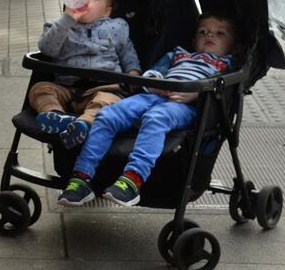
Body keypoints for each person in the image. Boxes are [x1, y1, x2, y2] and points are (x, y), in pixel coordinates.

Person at [58, 13, 239, 207]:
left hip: (185, 105)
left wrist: (196, 93)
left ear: (235, 45)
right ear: (194, 40)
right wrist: (156, 83)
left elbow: (222, 89)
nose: (210, 35)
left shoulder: (228, 64)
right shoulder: (178, 54)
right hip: (154, 94)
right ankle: (81, 177)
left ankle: (132, 180)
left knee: (156, 118)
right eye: (204, 32)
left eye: (220, 34)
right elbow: (153, 73)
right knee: (108, 114)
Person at [30, 0, 141, 148]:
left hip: (105, 87)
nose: (85, 0)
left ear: (107, 11)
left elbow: (127, 53)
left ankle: (83, 124)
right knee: (39, 89)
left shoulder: (116, 27)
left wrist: (133, 75)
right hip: (66, 90)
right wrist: (67, 20)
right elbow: (48, 49)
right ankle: (56, 115)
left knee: (110, 102)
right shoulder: (58, 26)